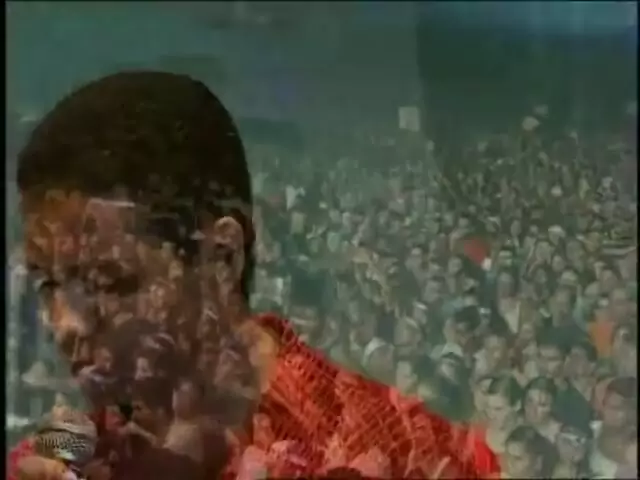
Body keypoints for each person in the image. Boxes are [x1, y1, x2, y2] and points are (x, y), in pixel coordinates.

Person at [8, 72, 498, 479]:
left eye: (110, 281)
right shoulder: (71, 443)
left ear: (220, 259)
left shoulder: (407, 453)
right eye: (49, 284)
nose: (66, 323)